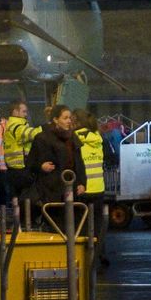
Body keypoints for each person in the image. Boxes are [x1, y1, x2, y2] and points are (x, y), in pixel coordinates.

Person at [28, 105, 81, 227]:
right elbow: (30, 163)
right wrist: (41, 166)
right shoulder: (42, 138)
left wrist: (82, 182)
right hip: (51, 190)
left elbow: (78, 162)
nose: (69, 121)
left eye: (70, 118)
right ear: (56, 119)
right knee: (54, 224)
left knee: (72, 224)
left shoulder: (72, 137)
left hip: (70, 188)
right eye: (65, 118)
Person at [75, 110, 111, 268]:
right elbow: (109, 158)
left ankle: (84, 256)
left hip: (82, 189)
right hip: (98, 188)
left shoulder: (74, 138)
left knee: (80, 225)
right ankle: (100, 254)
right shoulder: (98, 138)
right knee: (98, 226)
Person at [0, 97, 35, 224]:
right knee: (27, 200)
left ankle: (19, 226)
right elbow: (31, 134)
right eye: (24, 111)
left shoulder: (12, 125)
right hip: (21, 170)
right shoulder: (16, 125)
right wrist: (47, 128)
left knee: (17, 201)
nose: (26, 114)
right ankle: (26, 225)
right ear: (15, 111)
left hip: (14, 170)